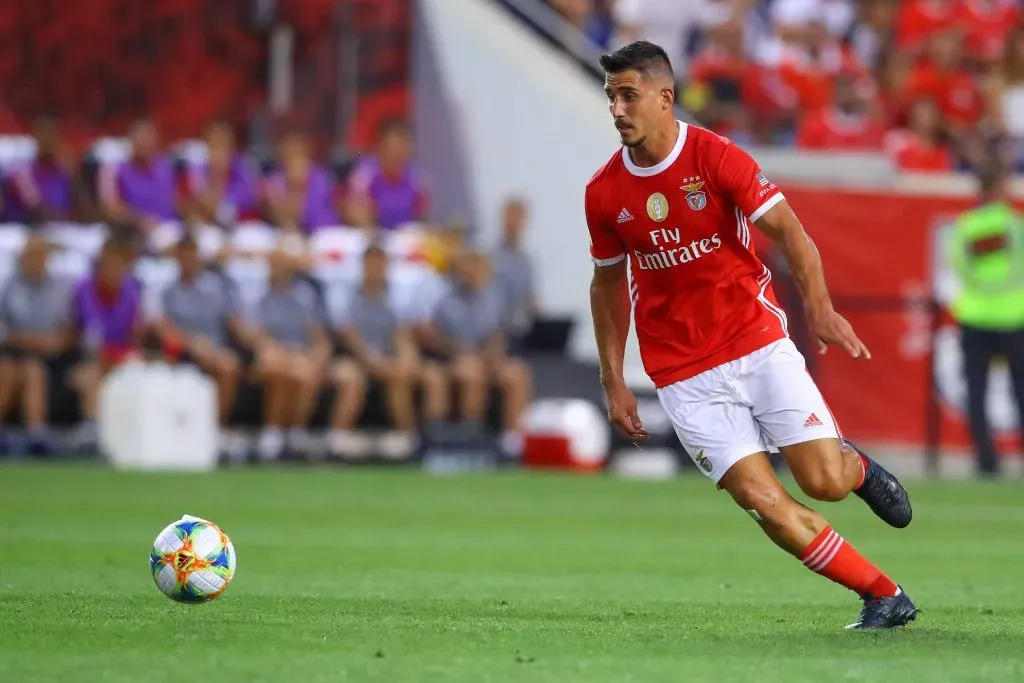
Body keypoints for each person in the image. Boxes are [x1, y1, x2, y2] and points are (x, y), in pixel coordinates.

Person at [586, 41, 915, 629]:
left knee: (823, 482)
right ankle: (883, 595)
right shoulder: (605, 193)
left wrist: (819, 308)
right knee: (763, 502)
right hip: (683, 373)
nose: (617, 110)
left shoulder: (716, 158)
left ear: (665, 98)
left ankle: (856, 468)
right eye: (611, 97)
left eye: (629, 96)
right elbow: (607, 287)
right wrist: (613, 379)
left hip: (756, 341)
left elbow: (791, 234)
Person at [330, 245, 447, 457]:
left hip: (388, 360)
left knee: (428, 375)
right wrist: (379, 365)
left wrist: (406, 362)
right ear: (363, 266)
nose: (376, 268)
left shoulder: (396, 296)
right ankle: (336, 442)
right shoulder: (347, 295)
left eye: (380, 263)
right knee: (350, 378)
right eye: (371, 263)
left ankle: (420, 442)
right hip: (356, 360)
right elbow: (352, 341)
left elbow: (402, 336)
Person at [945, 165, 1024, 476]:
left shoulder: (965, 227)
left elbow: (958, 266)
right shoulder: (1015, 226)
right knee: (1021, 391)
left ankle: (987, 461)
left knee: (977, 390)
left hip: (976, 316)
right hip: (1013, 317)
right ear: (1002, 191)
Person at [418, 251, 532, 453]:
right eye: (466, 269)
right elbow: (437, 338)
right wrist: (462, 352)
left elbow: (499, 334)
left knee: (517, 373)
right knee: (470, 371)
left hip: (489, 358)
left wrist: (490, 356)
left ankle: (512, 440)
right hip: (456, 359)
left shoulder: (494, 299)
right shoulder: (447, 301)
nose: (471, 273)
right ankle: (472, 434)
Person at [151, 236, 251, 458]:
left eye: (192, 254)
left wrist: (259, 341)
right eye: (184, 254)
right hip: (180, 351)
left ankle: (216, 431)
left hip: (214, 351)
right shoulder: (166, 291)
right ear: (176, 258)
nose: (189, 259)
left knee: (228, 365)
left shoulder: (216, 288)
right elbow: (162, 329)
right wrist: (191, 344)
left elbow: (234, 323)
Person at [250, 250, 333, 461]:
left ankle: (296, 434)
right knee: (280, 368)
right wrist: (291, 357)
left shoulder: (305, 297)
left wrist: (317, 357)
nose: (278, 269)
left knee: (307, 371)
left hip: (301, 357)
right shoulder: (258, 296)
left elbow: (319, 337)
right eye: (274, 264)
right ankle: (273, 433)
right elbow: (258, 339)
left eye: (282, 264)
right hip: (271, 356)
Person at [0, 235, 74, 454]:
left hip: (50, 359)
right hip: (11, 355)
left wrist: (24, 338)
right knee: (8, 370)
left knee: (34, 370)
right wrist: (34, 340)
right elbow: (5, 335)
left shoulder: (59, 290)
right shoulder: (9, 288)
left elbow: (62, 337)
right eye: (30, 255)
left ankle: (37, 436)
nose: (35, 260)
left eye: (40, 256)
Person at [69, 237, 144, 451]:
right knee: (92, 375)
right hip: (87, 359)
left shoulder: (131, 293)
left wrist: (129, 357)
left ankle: (135, 433)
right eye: (107, 266)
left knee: (139, 370)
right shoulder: (85, 290)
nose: (112, 272)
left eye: (118, 267)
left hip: (120, 359)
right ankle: (91, 435)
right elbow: (89, 341)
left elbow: (134, 336)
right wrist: (112, 358)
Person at [344, 120, 431, 230]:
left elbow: (422, 217)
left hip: (405, 235)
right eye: (394, 147)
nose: (398, 153)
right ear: (381, 147)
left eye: (404, 147)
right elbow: (356, 215)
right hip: (374, 235)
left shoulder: (418, 180)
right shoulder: (364, 177)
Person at [98, 118, 180, 231]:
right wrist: (139, 220)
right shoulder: (114, 170)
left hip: (170, 229)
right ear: (130, 139)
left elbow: (177, 201)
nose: (144, 143)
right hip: (134, 233)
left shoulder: (167, 167)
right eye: (140, 137)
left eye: (148, 137)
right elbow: (111, 209)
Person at [492, 198, 538, 352]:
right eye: (509, 217)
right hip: (493, 334)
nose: (512, 223)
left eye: (517, 218)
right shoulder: (490, 256)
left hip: (519, 335)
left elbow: (530, 299)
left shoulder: (526, 261)